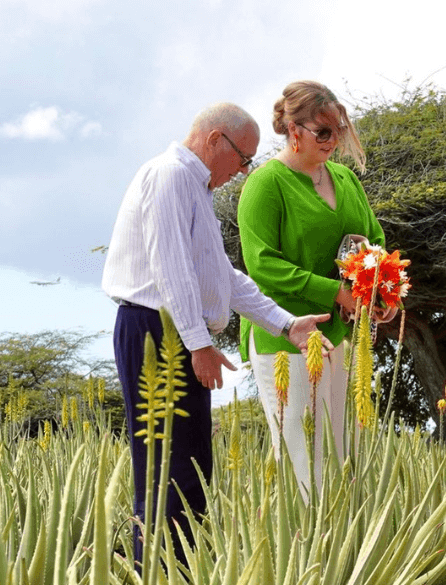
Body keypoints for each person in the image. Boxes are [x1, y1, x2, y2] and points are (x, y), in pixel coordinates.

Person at [102, 102, 331, 566]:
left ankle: (180, 571)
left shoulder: (194, 187)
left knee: (188, 470)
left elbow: (221, 276)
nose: (244, 170)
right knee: (166, 473)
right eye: (243, 158)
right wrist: (199, 343)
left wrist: (286, 324)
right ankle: (159, 572)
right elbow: (172, 270)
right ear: (213, 140)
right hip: (156, 332)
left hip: (177, 332)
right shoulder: (169, 176)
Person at [237, 80, 388, 487]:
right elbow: (262, 264)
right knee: (303, 456)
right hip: (285, 335)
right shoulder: (266, 184)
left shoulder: (345, 179)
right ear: (293, 131)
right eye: (323, 132)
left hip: (341, 333)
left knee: (344, 451)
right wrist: (335, 292)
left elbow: (374, 240)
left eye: (337, 130)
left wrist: (378, 291)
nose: (333, 140)